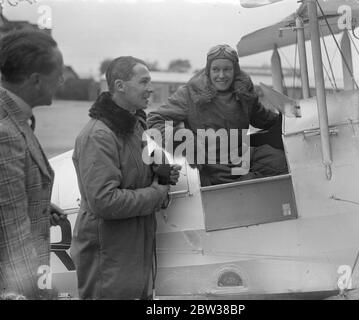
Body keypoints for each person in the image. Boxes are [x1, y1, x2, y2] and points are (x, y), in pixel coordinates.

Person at [71, 56, 180, 300]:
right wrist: (157, 193)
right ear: (120, 86)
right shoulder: (98, 135)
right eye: (144, 82)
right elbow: (104, 201)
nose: (150, 88)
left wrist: (160, 173)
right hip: (109, 253)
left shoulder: (134, 127)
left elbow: (141, 166)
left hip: (133, 248)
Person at [147, 44, 288, 186]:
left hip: (242, 155)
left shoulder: (244, 93)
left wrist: (288, 119)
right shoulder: (190, 93)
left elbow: (263, 118)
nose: (221, 75)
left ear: (235, 70)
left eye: (227, 69)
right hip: (212, 165)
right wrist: (185, 142)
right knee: (246, 185)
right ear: (208, 70)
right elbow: (154, 119)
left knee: (283, 162)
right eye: (216, 69)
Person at [0, 30, 66, 299]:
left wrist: (35, 200)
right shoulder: (5, 132)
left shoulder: (14, 116)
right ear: (36, 80)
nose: (62, 80)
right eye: (58, 74)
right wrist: (40, 292)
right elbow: (12, 233)